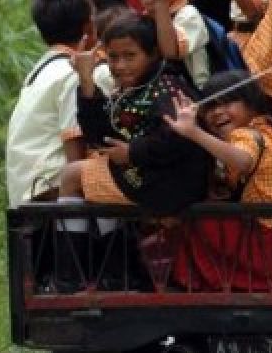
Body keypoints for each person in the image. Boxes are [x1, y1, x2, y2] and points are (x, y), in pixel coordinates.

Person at [165, 71, 272, 292]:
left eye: (229, 102)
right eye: (210, 107)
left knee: (198, 219)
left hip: (269, 240)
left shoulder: (246, 135)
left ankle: (195, 285)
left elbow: (243, 161)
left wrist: (194, 133)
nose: (217, 112)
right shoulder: (266, 132)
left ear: (253, 105)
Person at [58, 13, 210, 215]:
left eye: (130, 56)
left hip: (171, 183)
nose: (120, 66)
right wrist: (86, 80)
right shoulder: (131, 89)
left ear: (153, 54)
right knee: (85, 169)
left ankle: (77, 248)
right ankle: (100, 246)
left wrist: (132, 152)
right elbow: (100, 139)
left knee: (72, 175)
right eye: (113, 57)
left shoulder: (167, 87)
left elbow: (178, 137)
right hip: (146, 173)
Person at [5, 0, 93, 207]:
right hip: (49, 190)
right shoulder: (71, 73)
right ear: (89, 27)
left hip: (25, 189)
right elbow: (72, 140)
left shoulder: (40, 70)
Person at [133, 0, 211, 91]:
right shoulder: (143, 17)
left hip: (189, 99)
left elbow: (170, 52)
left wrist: (160, 2)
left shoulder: (189, 15)